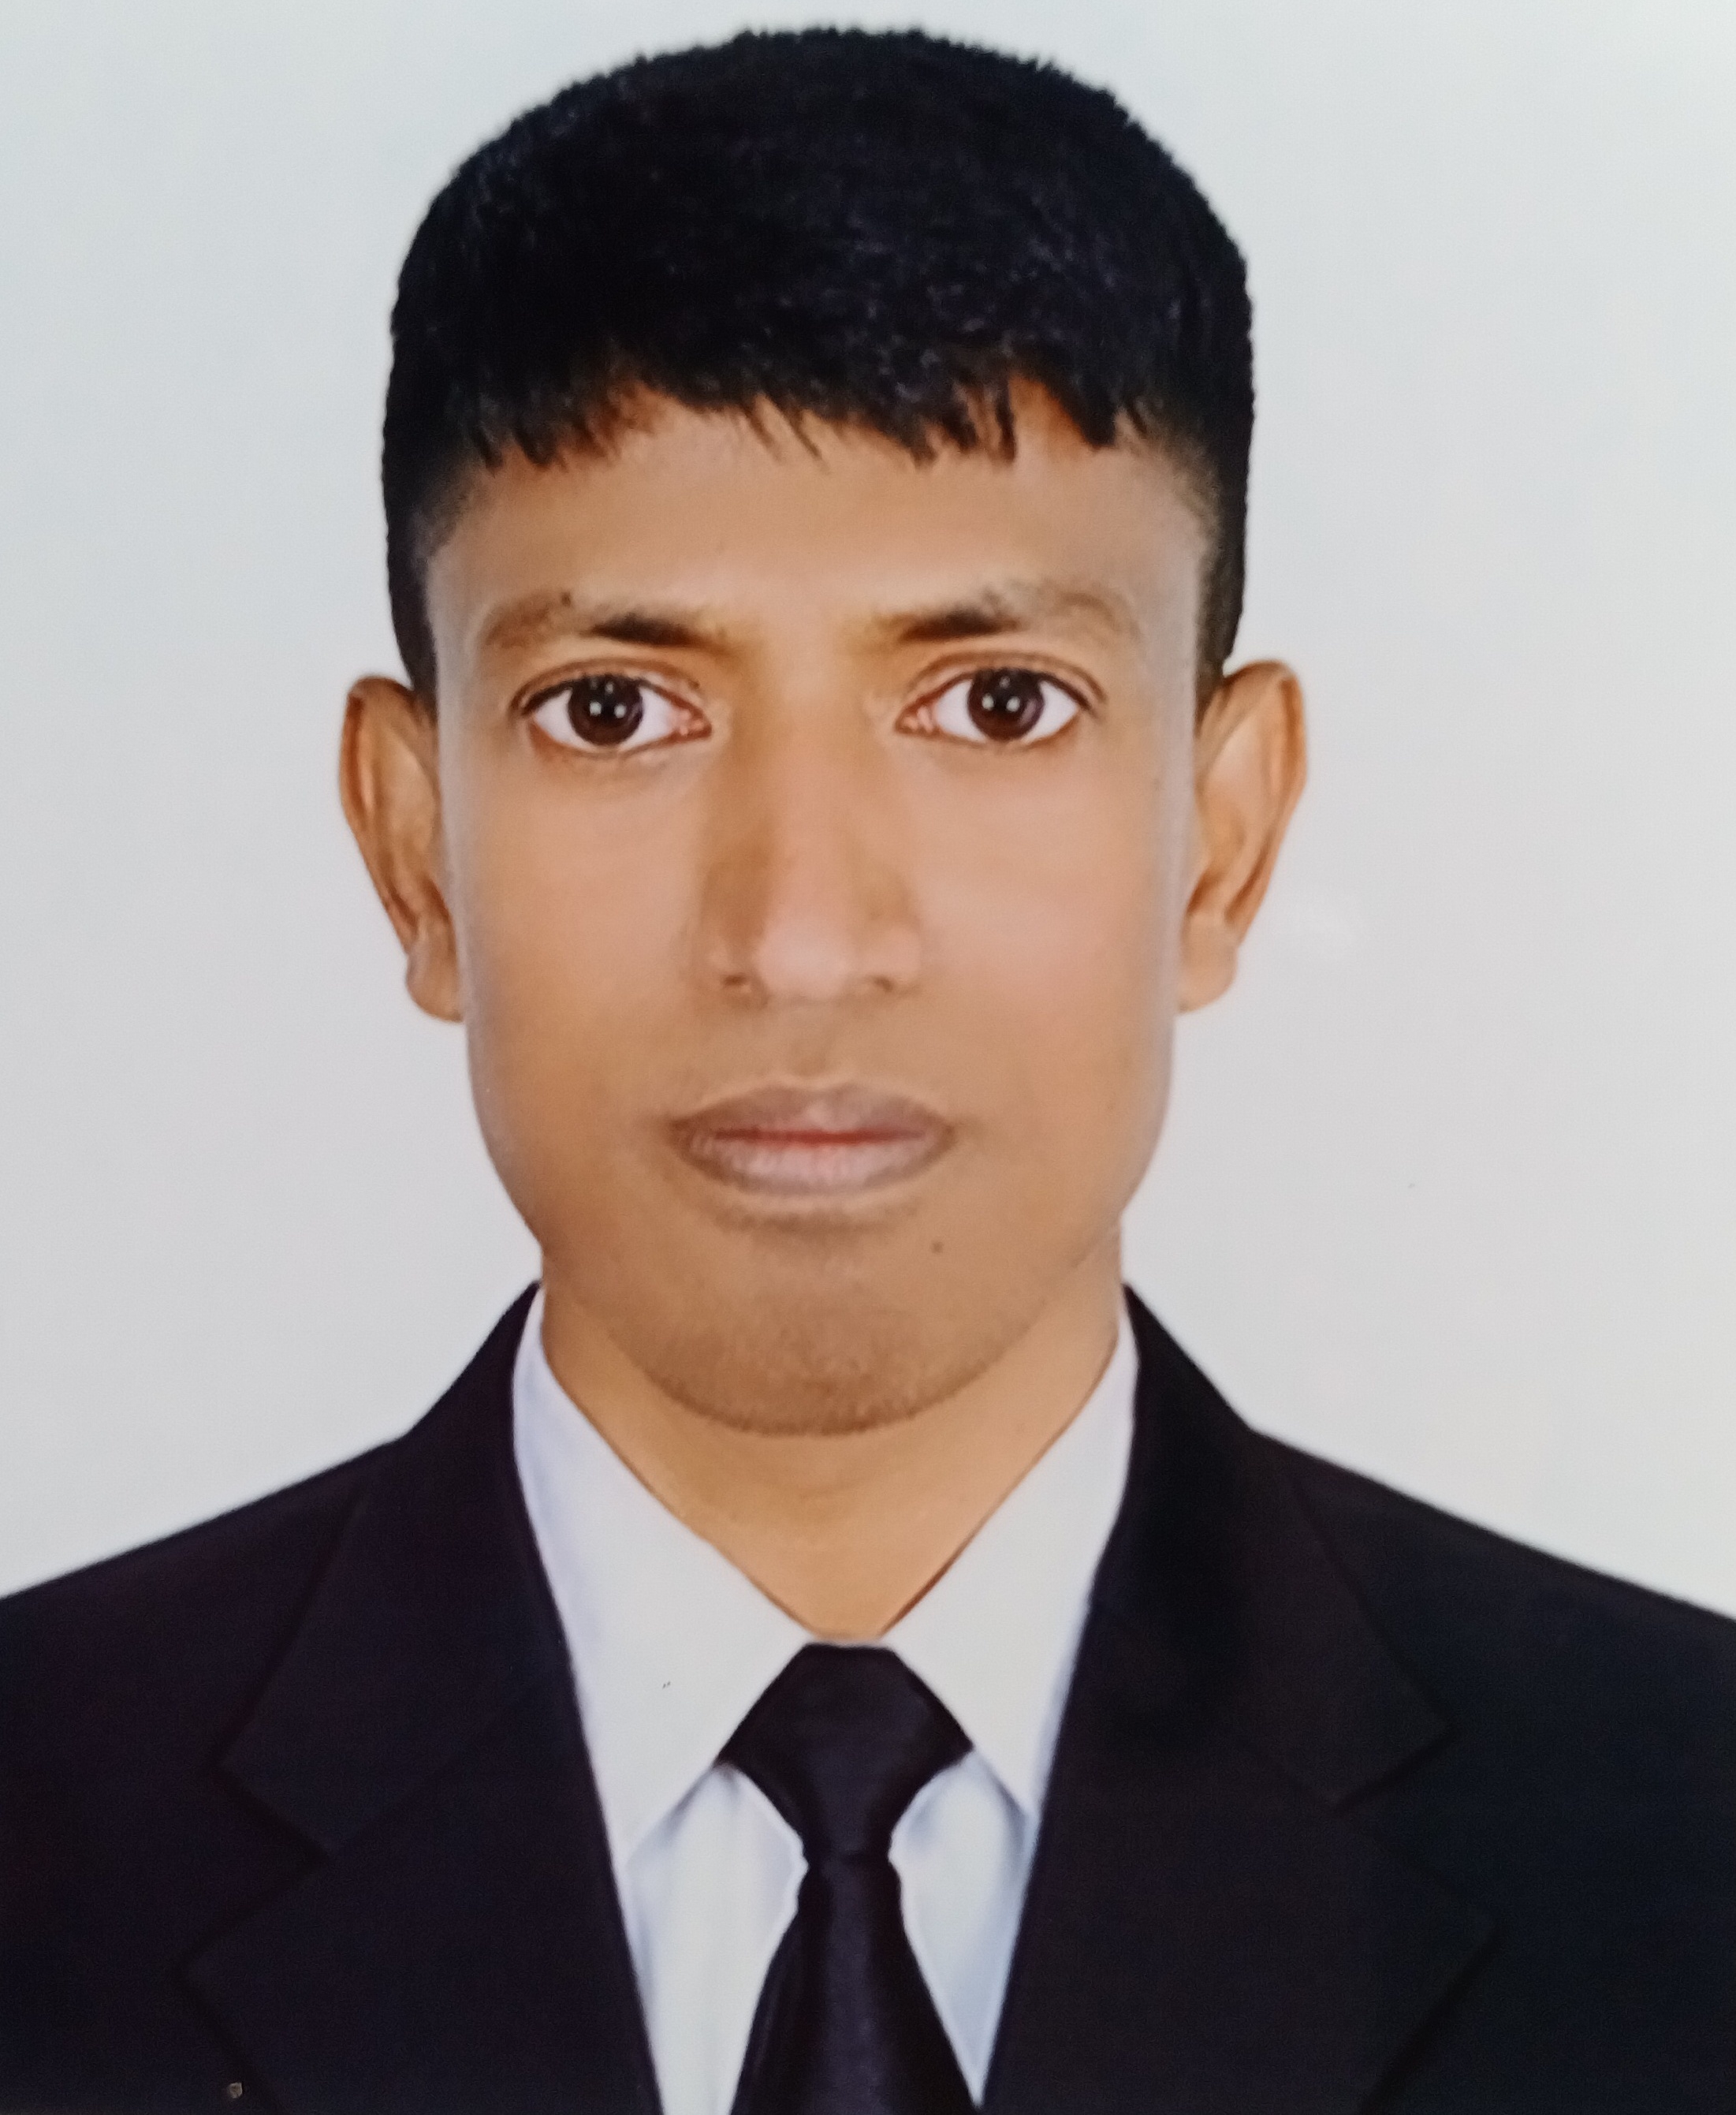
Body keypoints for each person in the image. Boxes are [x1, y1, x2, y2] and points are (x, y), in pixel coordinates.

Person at [2, 27, 1730, 2115]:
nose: (803, 936)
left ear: (1224, 837)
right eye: (614, 710)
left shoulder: (1680, 1836)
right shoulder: (40, 1820)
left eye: (997, 702)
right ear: (411, 847)